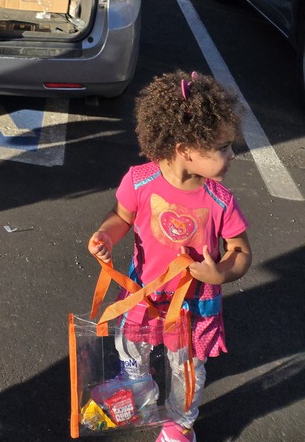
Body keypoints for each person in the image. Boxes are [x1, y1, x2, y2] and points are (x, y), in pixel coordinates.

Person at [87, 71, 252, 442]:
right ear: (185, 149)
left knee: (187, 369)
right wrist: (105, 236)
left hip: (193, 305)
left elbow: (241, 251)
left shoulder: (221, 201)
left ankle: (180, 423)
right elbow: (121, 218)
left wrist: (220, 273)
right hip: (145, 291)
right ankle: (137, 381)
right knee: (129, 344)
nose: (232, 154)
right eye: (223, 147)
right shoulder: (140, 180)